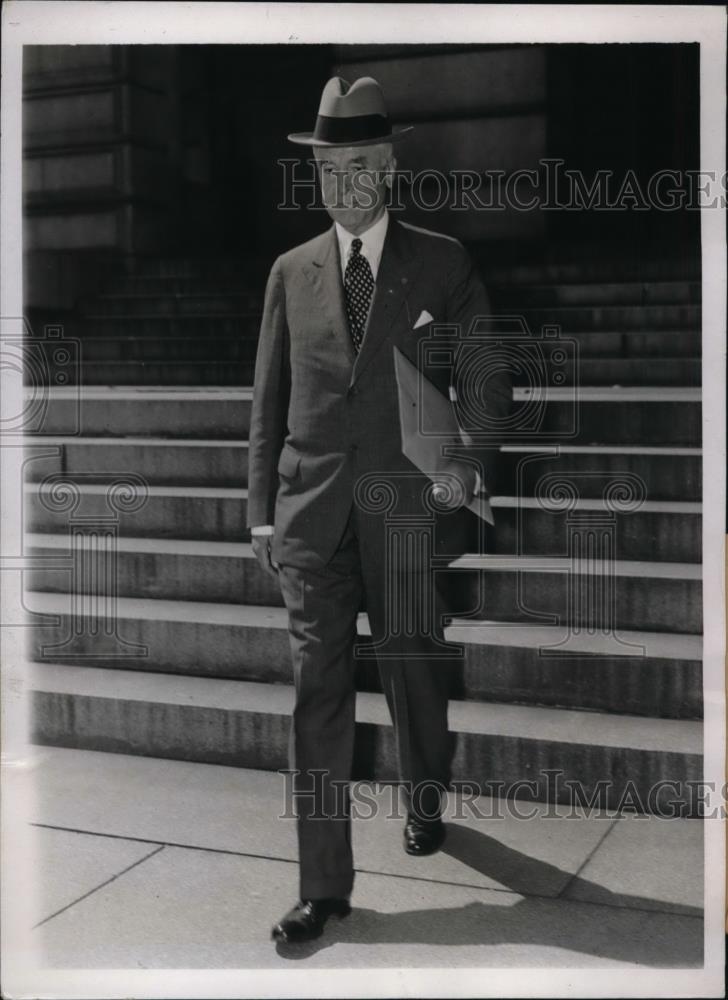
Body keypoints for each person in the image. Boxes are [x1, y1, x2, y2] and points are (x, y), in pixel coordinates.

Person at [247, 75, 512, 944]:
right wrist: (259, 513)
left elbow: (483, 375)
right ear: (318, 177)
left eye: (361, 163)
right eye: (331, 168)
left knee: (415, 672)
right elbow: (268, 401)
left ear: (389, 166)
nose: (346, 182)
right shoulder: (290, 274)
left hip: (405, 514)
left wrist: (467, 463)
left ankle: (426, 795)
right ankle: (323, 889)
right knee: (315, 694)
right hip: (312, 522)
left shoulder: (440, 261)